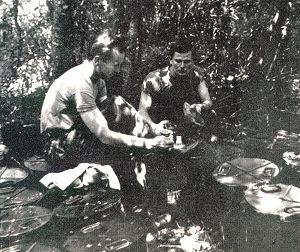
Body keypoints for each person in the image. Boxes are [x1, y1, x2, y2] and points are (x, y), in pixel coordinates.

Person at [40, 35, 174, 169]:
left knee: (117, 103)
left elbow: (111, 115)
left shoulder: (99, 81)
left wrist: (152, 129)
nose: (118, 70)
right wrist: (148, 143)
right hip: (57, 146)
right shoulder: (81, 83)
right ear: (98, 61)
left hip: (75, 137)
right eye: (116, 65)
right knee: (118, 150)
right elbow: (103, 134)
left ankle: (153, 140)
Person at [138, 39, 214, 139]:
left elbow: (207, 101)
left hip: (186, 126)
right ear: (170, 60)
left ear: (192, 62)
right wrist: (154, 127)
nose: (182, 66)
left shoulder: (196, 75)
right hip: (161, 128)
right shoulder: (154, 79)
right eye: (178, 61)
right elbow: (142, 110)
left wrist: (200, 107)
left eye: (187, 62)